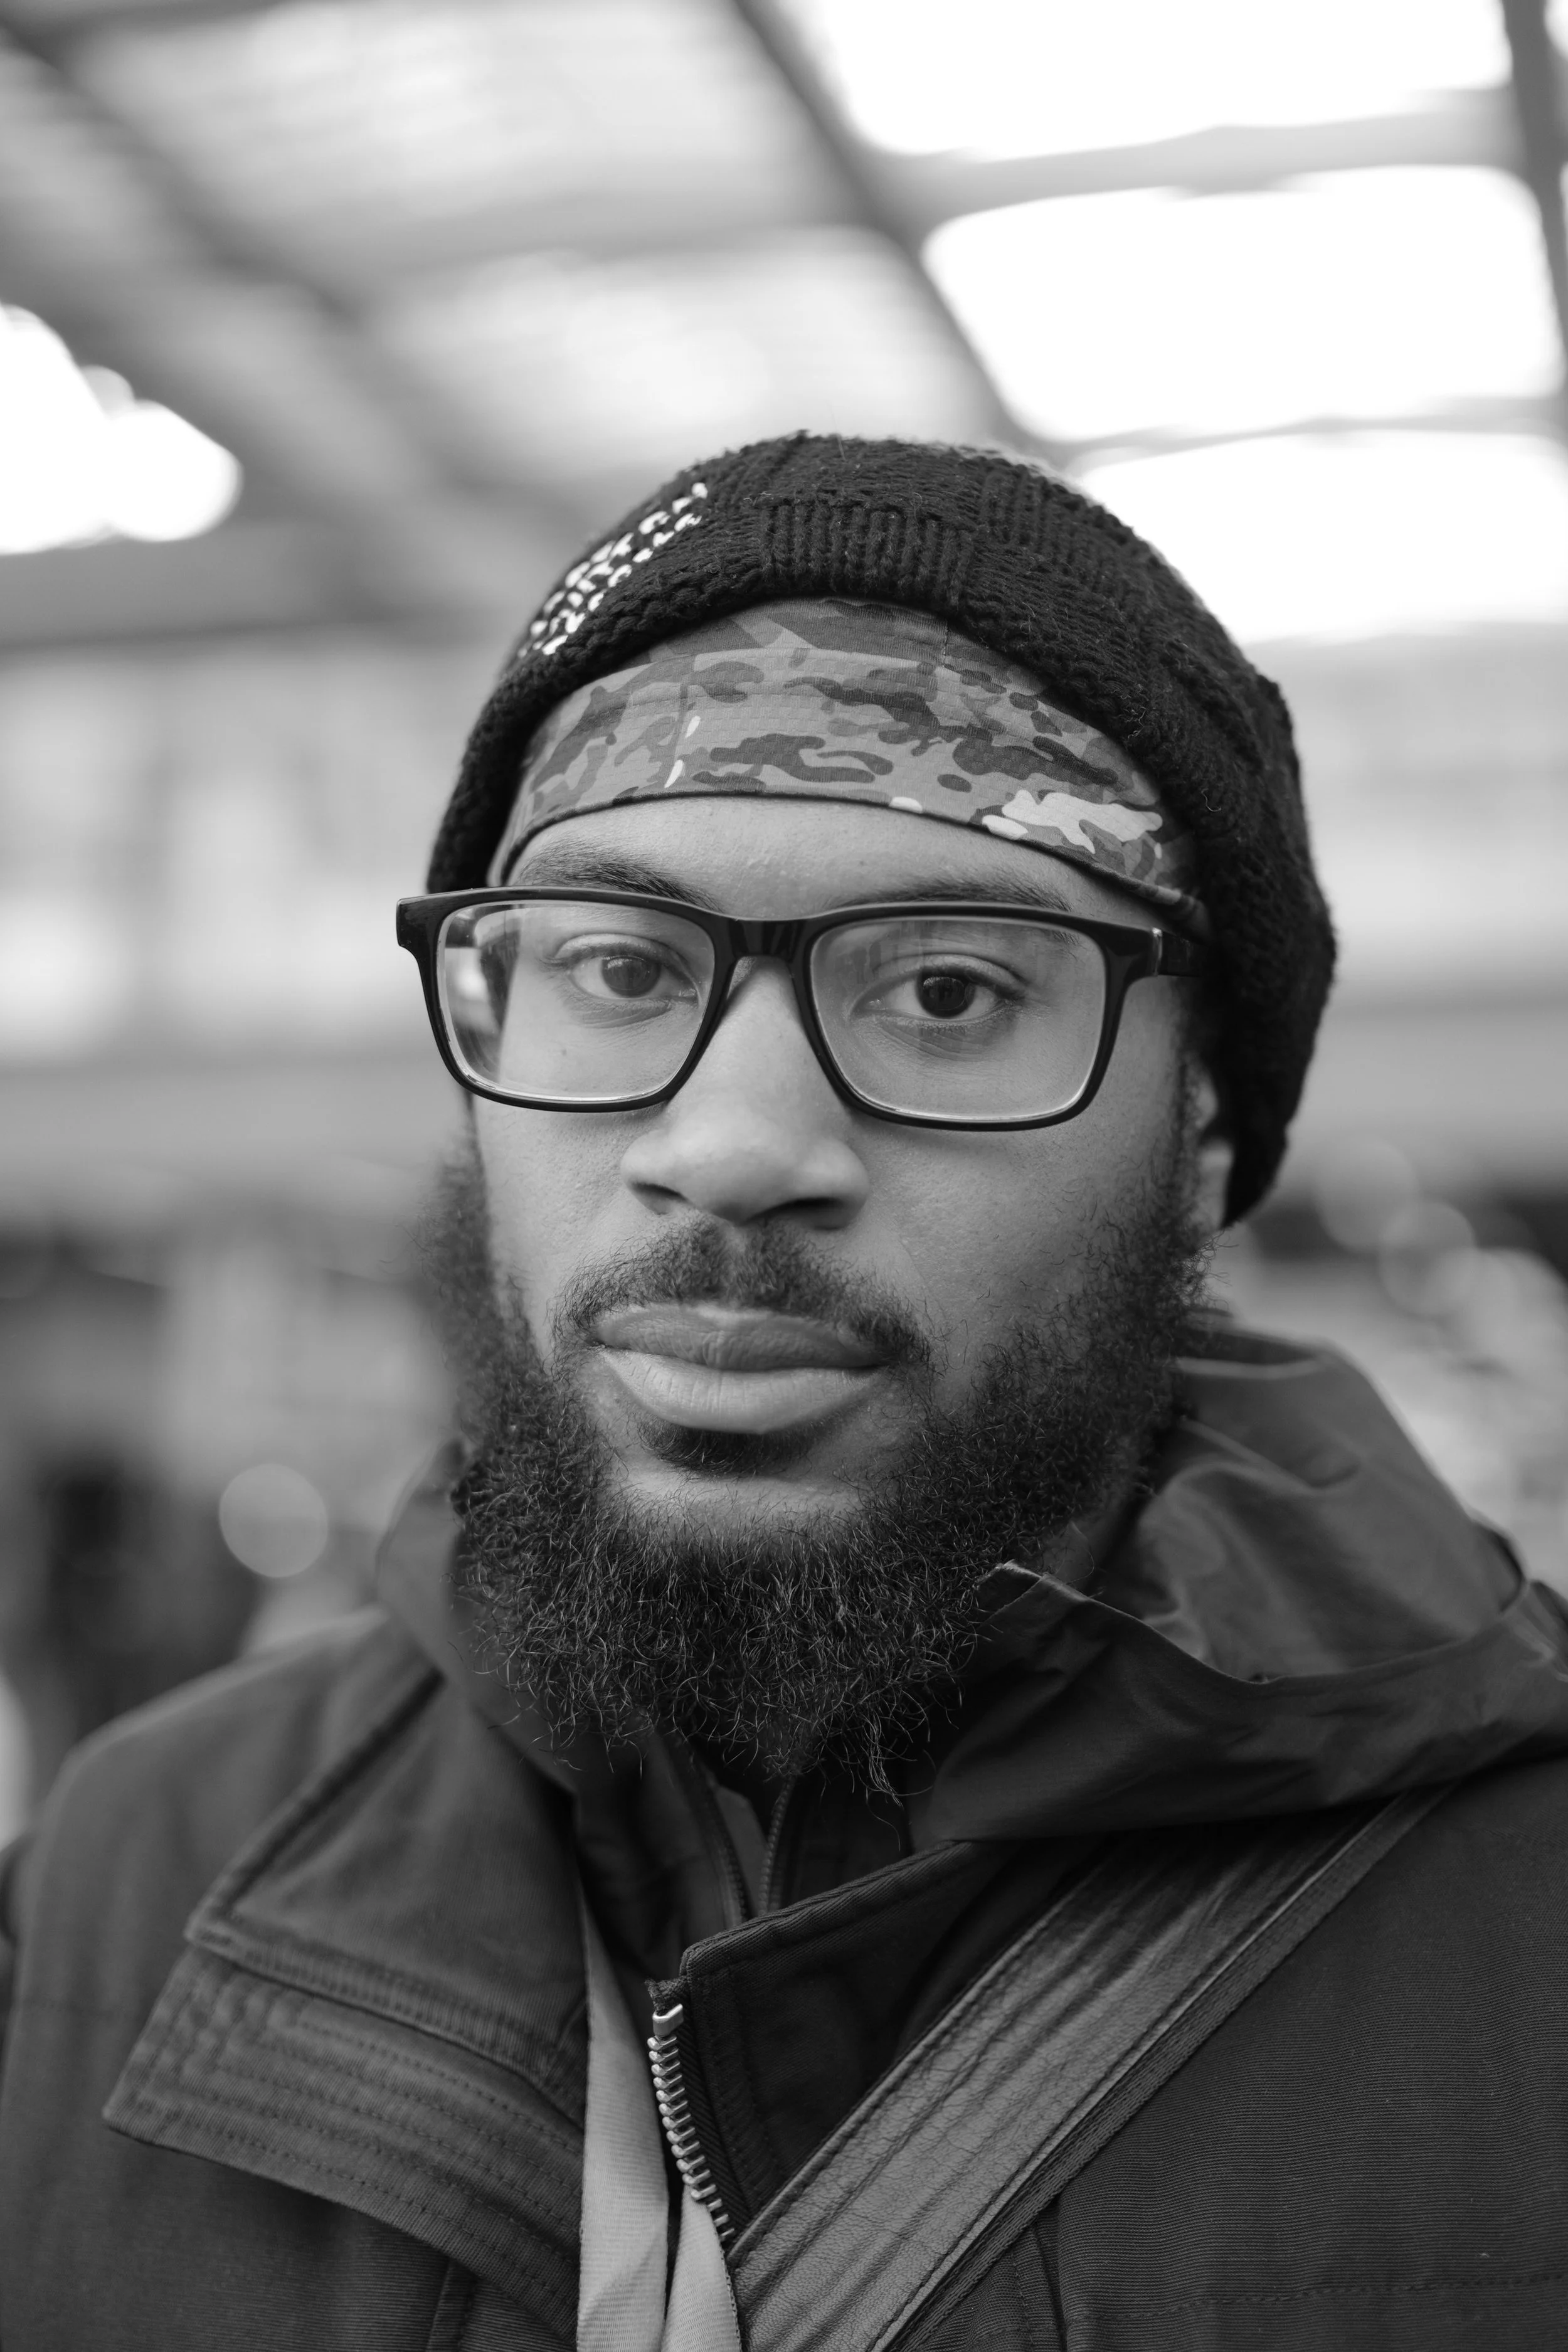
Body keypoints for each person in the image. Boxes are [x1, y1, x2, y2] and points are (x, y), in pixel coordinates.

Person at [4, 435, 1568, 2352]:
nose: (731, 1146)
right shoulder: (138, 1865)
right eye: (616, 966)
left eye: (947, 992)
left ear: (1199, 1143)